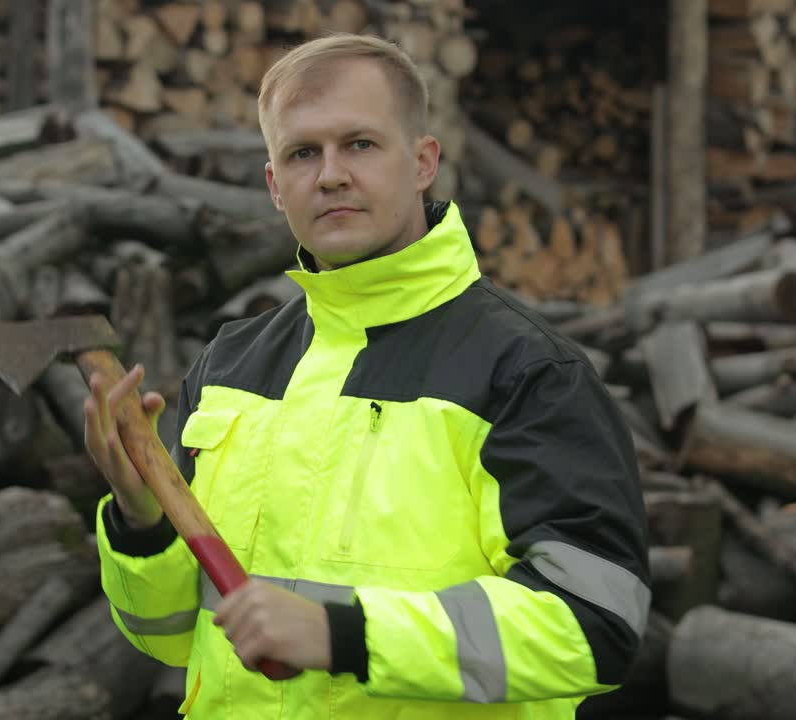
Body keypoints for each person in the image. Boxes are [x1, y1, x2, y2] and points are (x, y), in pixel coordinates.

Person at [83, 32, 650, 718]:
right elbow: (171, 636)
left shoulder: (525, 372)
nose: (330, 175)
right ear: (274, 186)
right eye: (302, 153)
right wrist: (142, 525)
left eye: (359, 144)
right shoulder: (233, 363)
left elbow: (595, 627)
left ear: (423, 162)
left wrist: (345, 634)